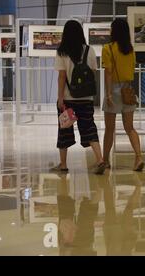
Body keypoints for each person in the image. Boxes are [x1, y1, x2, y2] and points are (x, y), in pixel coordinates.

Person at [52, 20, 105, 174]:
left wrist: (60, 98)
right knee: (89, 128)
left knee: (64, 130)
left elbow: (62, 77)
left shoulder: (62, 52)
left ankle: (63, 165)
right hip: (86, 99)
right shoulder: (89, 50)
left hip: (68, 100)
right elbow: (92, 73)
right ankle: (100, 160)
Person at [101, 18, 144, 174]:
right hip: (128, 90)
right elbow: (131, 69)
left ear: (115, 31)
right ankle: (139, 157)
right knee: (130, 127)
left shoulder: (108, 48)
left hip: (114, 90)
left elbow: (109, 72)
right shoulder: (130, 49)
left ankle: (105, 160)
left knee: (109, 129)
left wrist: (108, 94)